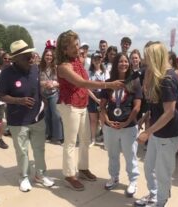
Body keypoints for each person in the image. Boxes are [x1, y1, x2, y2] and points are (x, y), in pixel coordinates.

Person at [55, 30, 124, 191]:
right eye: (73, 46)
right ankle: (69, 175)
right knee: (71, 142)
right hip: (69, 105)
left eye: (77, 44)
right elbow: (82, 83)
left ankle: (83, 168)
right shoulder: (64, 67)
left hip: (81, 104)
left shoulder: (78, 62)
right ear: (64, 49)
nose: (77, 48)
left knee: (85, 140)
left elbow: (85, 85)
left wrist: (96, 99)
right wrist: (108, 85)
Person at [0, 40, 55, 192]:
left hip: (37, 118)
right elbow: (0, 95)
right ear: (15, 58)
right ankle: (23, 176)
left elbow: (36, 88)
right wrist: (18, 100)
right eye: (25, 56)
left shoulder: (35, 68)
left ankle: (40, 175)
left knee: (39, 149)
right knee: (22, 151)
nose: (30, 57)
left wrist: (43, 98)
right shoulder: (6, 73)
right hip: (18, 120)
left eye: (30, 54)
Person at [135, 42, 178, 207]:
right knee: (149, 168)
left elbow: (169, 112)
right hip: (158, 132)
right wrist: (146, 116)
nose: (144, 59)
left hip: (168, 134)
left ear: (155, 57)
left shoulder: (167, 79)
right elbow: (159, 105)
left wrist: (147, 132)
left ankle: (161, 202)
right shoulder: (159, 76)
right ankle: (155, 195)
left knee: (163, 172)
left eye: (147, 55)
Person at [100, 52, 142, 197]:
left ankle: (133, 181)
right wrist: (107, 120)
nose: (123, 64)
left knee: (130, 155)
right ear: (115, 64)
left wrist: (126, 122)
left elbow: (137, 107)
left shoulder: (134, 82)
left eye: (126, 61)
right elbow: (102, 106)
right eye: (120, 61)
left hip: (128, 127)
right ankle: (114, 176)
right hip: (111, 126)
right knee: (112, 154)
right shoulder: (109, 82)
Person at [39, 46, 64, 145]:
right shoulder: (39, 67)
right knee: (46, 115)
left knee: (56, 115)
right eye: (47, 55)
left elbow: (61, 82)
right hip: (44, 94)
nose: (48, 57)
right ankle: (48, 134)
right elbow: (37, 81)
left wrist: (54, 84)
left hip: (54, 93)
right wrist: (44, 83)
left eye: (50, 55)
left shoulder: (57, 67)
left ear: (53, 57)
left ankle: (58, 137)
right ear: (44, 56)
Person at [87, 51, 106, 145]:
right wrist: (96, 99)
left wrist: (101, 99)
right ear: (92, 61)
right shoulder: (89, 73)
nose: (97, 61)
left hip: (103, 97)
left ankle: (105, 140)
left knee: (103, 120)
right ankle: (93, 139)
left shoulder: (105, 72)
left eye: (99, 58)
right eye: (95, 59)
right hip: (92, 97)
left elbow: (108, 86)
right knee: (93, 120)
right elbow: (87, 88)